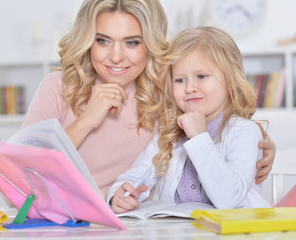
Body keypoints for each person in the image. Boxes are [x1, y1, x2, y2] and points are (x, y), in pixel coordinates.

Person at [22, 0, 275, 200]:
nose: (116, 56)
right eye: (103, 40)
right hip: (60, 222)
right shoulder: (58, 88)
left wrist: (258, 144)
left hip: (136, 225)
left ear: (150, 44)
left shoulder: (167, 92)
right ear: (88, 41)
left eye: (132, 42)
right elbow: (17, 182)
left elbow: (218, 121)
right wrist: (86, 121)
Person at [107, 26, 271, 213]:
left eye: (201, 76)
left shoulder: (244, 131)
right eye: (180, 80)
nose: (190, 87)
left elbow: (228, 199)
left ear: (230, 81)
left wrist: (199, 136)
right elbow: (137, 173)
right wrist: (118, 195)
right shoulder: (170, 134)